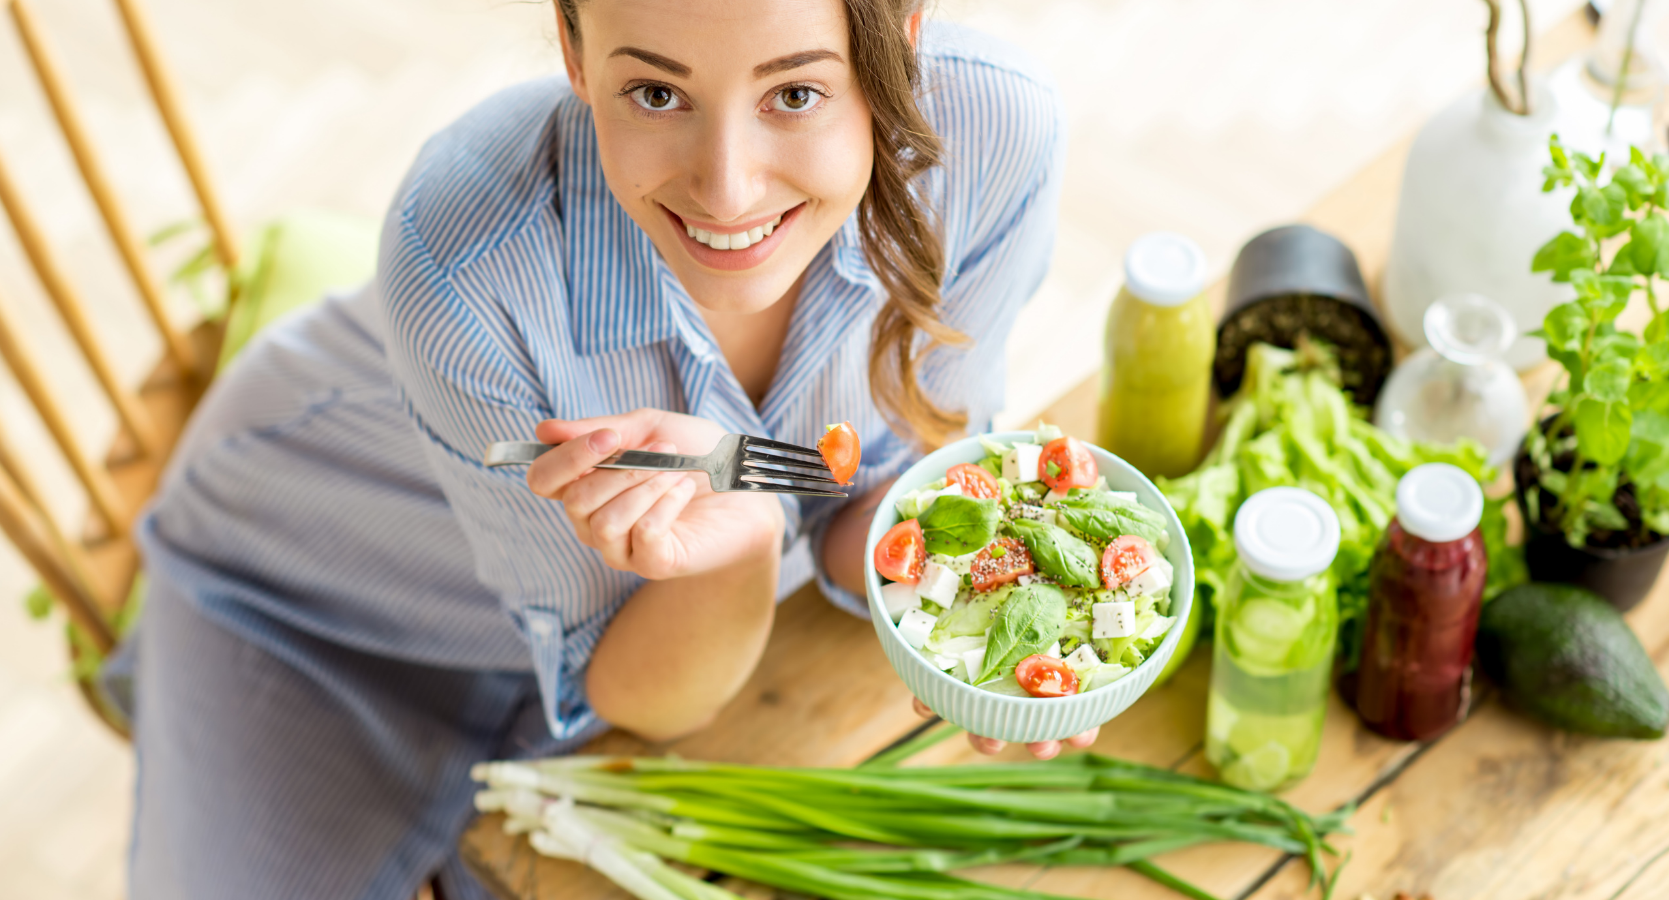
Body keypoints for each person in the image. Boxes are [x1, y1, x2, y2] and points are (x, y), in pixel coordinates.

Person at [118, 0, 1071, 896]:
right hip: (315, 599)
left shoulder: (993, 138)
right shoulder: (459, 265)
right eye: (656, 94)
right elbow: (641, 697)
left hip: (654, 642)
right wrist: (741, 546)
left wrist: (991, 623)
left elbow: (882, 492)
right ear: (575, 55)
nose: (727, 190)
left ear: (898, 42)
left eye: (796, 94)